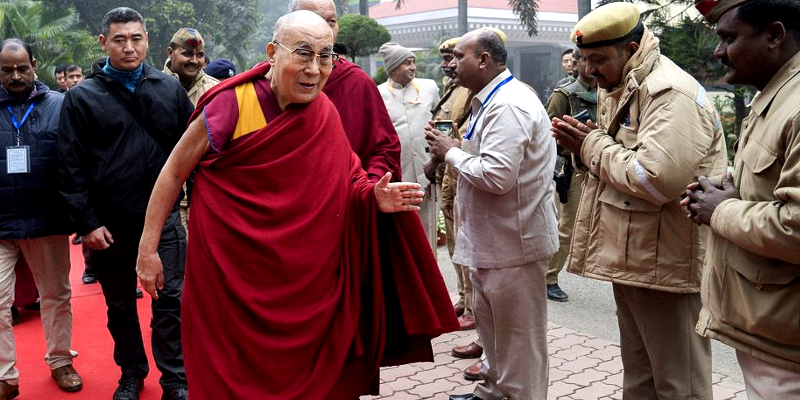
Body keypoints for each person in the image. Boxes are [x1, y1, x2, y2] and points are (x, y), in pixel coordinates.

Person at [135, 10, 458, 399]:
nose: (314, 69)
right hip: (232, 277)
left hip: (307, 285)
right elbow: (172, 172)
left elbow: (349, 179)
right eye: (303, 54)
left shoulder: (322, 111)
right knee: (231, 375)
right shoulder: (232, 104)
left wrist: (372, 195)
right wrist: (147, 248)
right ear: (273, 52)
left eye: (325, 56)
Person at [551, 3, 728, 399]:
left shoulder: (669, 92)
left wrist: (590, 144)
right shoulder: (622, 84)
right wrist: (587, 147)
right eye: (584, 60)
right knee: (641, 379)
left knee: (679, 384)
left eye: (599, 59)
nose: (589, 70)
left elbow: (655, 179)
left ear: (632, 49)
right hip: (636, 258)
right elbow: (621, 159)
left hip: (668, 264)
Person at [58, 7, 193, 400]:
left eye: (136, 38)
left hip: (165, 217)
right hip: (109, 225)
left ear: (147, 40)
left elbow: (193, 151)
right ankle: (131, 374)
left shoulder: (168, 89)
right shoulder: (82, 97)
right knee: (120, 305)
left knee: (170, 301)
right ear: (104, 43)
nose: (129, 47)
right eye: (119, 40)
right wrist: (86, 223)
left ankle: (175, 378)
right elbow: (70, 166)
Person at [426, 28, 558, 400]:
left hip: (513, 244)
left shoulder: (509, 104)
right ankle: (492, 391)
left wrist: (451, 151)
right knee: (494, 333)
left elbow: (497, 176)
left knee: (518, 341)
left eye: (460, 57)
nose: (452, 65)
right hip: (493, 241)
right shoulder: (489, 99)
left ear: (484, 60)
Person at [683, 0, 800, 398]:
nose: (718, 52)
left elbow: (795, 226)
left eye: (728, 38)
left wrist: (722, 209)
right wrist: (731, 191)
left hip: (787, 346)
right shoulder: (777, 94)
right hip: (771, 329)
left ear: (774, 35)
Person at [0, 38, 82, 397]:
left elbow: (77, 162)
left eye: (22, 68)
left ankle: (61, 361)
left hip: (47, 221)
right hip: (1, 224)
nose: (16, 75)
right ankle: (5, 376)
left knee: (56, 296)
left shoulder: (61, 106)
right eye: (6, 70)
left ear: (34, 65)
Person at [289, 0, 401, 183]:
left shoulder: (356, 81)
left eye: (331, 21)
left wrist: (371, 187)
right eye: (315, 19)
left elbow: (383, 149)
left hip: (345, 198)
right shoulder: (268, 81)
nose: (326, 29)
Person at [431, 37, 477, 333]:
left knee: (466, 244)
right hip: (450, 171)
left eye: (454, 58)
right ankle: (463, 297)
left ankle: (473, 308)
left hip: (463, 170)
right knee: (455, 244)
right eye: (446, 59)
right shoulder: (451, 90)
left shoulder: (470, 92)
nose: (449, 64)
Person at [543, 48, 597, 303]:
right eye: (586, 59)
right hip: (571, 168)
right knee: (567, 226)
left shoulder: (608, 93)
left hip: (601, 166)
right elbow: (546, 132)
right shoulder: (563, 94)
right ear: (576, 63)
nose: (592, 66)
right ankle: (549, 277)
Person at [378, 42, 441, 250]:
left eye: (413, 62)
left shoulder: (429, 87)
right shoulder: (378, 93)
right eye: (407, 63)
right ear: (394, 68)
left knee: (427, 227)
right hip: (396, 172)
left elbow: (440, 119)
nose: (413, 67)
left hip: (426, 171)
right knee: (401, 231)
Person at [163, 28, 219, 106]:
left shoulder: (215, 90)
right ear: (170, 53)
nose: (194, 61)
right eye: (187, 54)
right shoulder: (153, 87)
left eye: (200, 55)